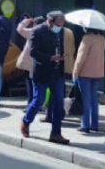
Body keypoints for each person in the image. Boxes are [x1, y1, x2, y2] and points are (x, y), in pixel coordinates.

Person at [21, 11, 70, 145]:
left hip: (57, 73)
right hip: (42, 72)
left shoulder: (61, 32)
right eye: (58, 24)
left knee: (59, 103)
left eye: (62, 25)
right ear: (50, 22)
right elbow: (33, 52)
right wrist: (50, 58)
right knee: (39, 100)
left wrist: (62, 58)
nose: (60, 27)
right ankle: (26, 121)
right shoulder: (37, 31)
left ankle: (56, 133)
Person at [73, 28, 105, 133]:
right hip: (98, 72)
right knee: (94, 99)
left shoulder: (86, 38)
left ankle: (85, 124)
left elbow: (81, 57)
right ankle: (94, 124)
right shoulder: (102, 39)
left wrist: (75, 72)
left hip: (85, 72)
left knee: (85, 99)